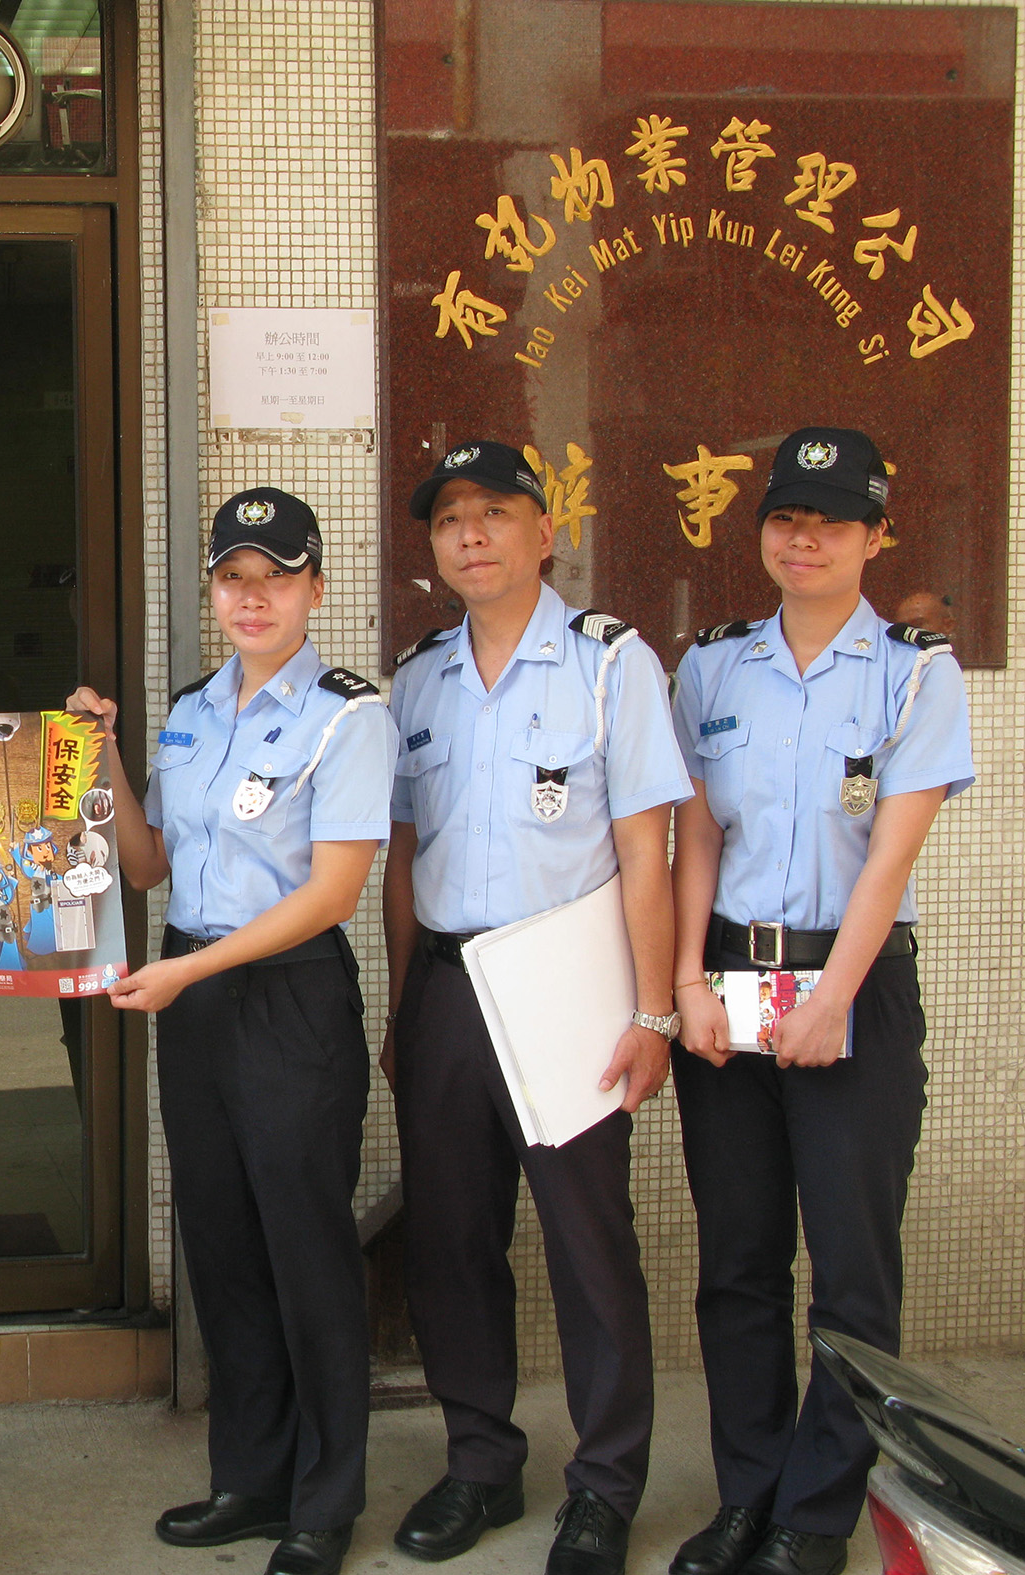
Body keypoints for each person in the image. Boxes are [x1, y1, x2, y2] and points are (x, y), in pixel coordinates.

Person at [664, 429, 974, 1575]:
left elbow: (890, 857)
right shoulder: (712, 668)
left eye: (833, 522)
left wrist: (834, 996)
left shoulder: (914, 672)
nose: (805, 539)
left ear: (876, 537)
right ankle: (748, 1491)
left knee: (851, 1271)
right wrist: (687, 984)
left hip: (855, 986)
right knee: (738, 1264)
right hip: (729, 990)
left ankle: (817, 1513)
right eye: (787, 518)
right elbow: (697, 835)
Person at [70, 487, 394, 1575]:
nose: (253, 597)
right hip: (196, 997)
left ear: (315, 587)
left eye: (276, 577)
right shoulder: (191, 712)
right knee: (221, 1241)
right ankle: (251, 1479)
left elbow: (332, 894)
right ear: (212, 588)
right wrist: (102, 760)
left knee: (307, 1248)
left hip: (286, 996)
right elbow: (149, 863)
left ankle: (325, 1497)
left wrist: (187, 971)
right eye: (233, 577)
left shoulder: (349, 717)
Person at [382, 441, 690, 1575]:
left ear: (545, 531)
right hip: (447, 989)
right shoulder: (418, 680)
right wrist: (402, 1006)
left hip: (569, 988)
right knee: (451, 1239)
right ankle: (481, 1462)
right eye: (449, 518)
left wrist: (653, 1012)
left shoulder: (613, 664)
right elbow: (404, 855)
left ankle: (605, 1487)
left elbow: (647, 852)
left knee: (587, 1245)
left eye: (495, 512)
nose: (471, 534)